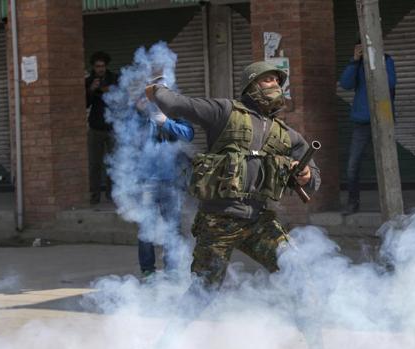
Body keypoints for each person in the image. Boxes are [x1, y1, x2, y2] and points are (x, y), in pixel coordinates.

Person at [144, 61, 320, 289]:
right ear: (251, 85)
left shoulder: (285, 134)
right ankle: (173, 326)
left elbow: (313, 175)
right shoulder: (224, 111)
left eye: (278, 81)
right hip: (218, 220)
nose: (275, 85)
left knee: (297, 272)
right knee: (203, 291)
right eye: (268, 79)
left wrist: (306, 175)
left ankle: (309, 324)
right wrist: (156, 89)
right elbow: (177, 104)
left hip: (258, 220)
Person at [135, 100, 194, 277]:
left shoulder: (175, 115)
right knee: (146, 228)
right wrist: (143, 115)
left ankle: (172, 270)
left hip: (172, 182)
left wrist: (165, 122)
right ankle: (147, 271)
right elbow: (133, 140)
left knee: (172, 228)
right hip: (147, 182)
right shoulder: (140, 117)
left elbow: (188, 134)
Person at [338, 40, 396, 214]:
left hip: (383, 120)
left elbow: (390, 84)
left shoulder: (386, 60)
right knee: (352, 165)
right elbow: (346, 84)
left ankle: (391, 203)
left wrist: (376, 61)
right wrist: (355, 61)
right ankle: (353, 202)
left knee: (388, 164)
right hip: (361, 120)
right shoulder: (357, 64)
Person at [86, 51, 119, 204]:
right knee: (94, 164)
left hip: (112, 127)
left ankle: (111, 194)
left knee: (113, 163)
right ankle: (95, 195)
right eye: (98, 66)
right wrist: (91, 90)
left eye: (103, 66)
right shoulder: (89, 81)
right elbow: (85, 104)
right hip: (95, 128)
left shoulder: (114, 79)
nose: (100, 69)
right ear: (94, 67)